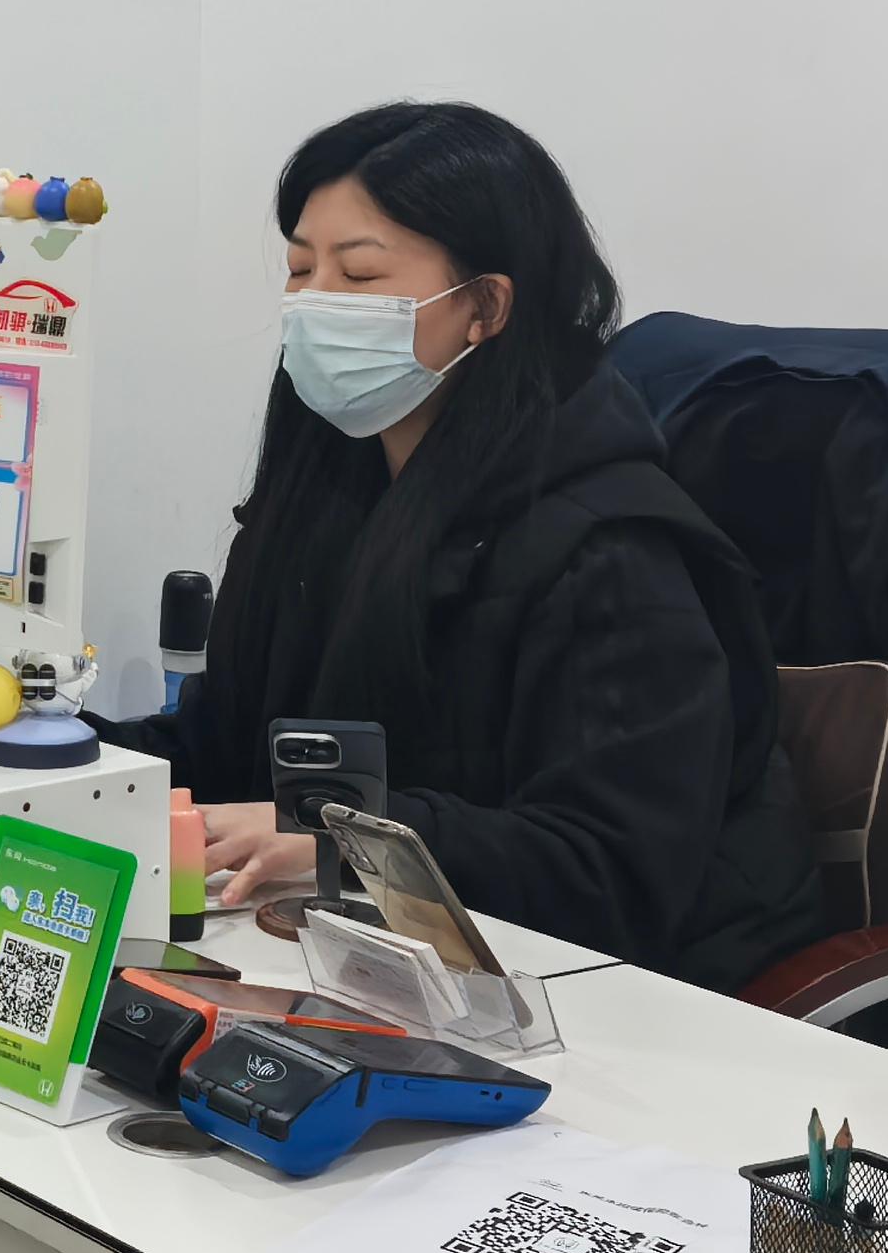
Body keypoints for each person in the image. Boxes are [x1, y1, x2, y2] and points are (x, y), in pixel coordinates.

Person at [123, 105, 821, 990]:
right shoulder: (328, 497)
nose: (312, 303)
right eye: (301, 269)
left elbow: (606, 868)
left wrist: (337, 839)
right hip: (366, 958)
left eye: (359, 273)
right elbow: (228, 746)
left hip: (607, 992)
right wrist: (59, 757)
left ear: (485, 306)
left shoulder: (608, 546)